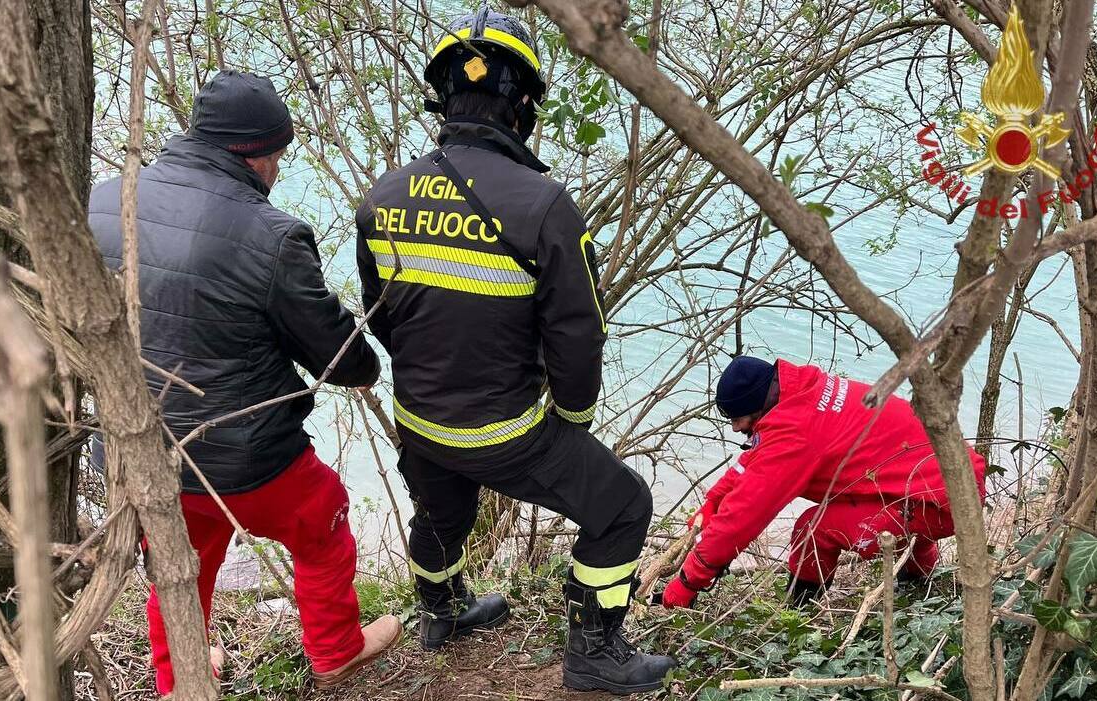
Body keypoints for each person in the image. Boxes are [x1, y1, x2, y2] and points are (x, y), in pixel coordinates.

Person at [354, 8, 673, 695]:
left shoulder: (380, 198)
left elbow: (381, 316)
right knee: (623, 505)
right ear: (522, 105)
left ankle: (440, 610)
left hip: (420, 417)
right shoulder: (544, 204)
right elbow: (578, 336)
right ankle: (593, 651)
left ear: (444, 97)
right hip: (505, 429)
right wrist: (572, 422)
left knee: (443, 513)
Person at [88, 70, 400, 695]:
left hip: (135, 444)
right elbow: (339, 358)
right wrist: (369, 364)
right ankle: (336, 649)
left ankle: (183, 676)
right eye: (280, 156)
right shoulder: (273, 236)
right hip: (246, 455)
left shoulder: (102, 199)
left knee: (180, 556)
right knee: (321, 515)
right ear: (258, 156)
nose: (279, 169)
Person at [657, 356, 988, 608]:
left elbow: (742, 519)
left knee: (812, 531)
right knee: (887, 502)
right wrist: (712, 503)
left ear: (757, 407)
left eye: (736, 418)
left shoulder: (795, 436)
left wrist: (685, 585)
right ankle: (921, 586)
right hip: (942, 483)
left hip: (948, 499)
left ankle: (797, 615)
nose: (733, 428)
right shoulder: (801, 395)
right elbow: (753, 463)